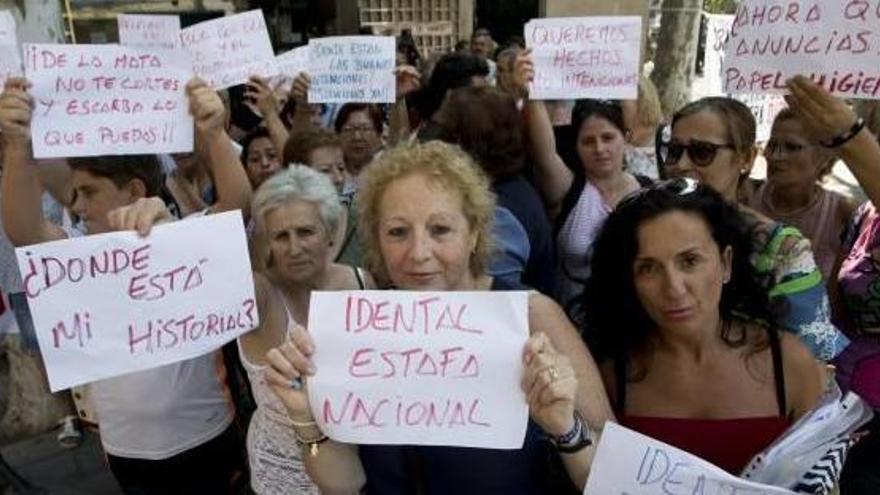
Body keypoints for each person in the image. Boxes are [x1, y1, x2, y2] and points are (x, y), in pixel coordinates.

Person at [264, 142, 613, 493]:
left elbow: (608, 473)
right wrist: (305, 416)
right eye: (398, 232)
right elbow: (345, 486)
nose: (418, 254)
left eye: (440, 230)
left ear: (474, 232)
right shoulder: (359, 330)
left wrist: (567, 428)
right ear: (377, 239)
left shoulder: (531, 316)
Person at [0, 76, 252, 493]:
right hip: (125, 448)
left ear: (133, 190)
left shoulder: (182, 236)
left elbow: (237, 207)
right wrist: (17, 148)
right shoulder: (79, 256)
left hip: (206, 434)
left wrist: (212, 134)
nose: (76, 207)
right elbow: (24, 229)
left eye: (88, 191)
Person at [582, 179, 825, 476]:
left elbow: (824, 480)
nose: (673, 288)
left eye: (689, 261)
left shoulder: (789, 362)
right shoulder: (610, 372)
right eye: (648, 267)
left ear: (726, 263)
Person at [658, 94, 848, 362]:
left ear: (745, 158)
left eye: (702, 152)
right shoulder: (640, 229)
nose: (681, 165)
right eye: (674, 151)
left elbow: (810, 361)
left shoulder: (782, 251)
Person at [241, 166, 374, 494]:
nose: (294, 247)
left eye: (305, 232)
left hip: (352, 461)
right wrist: (161, 231)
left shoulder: (362, 282)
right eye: (280, 236)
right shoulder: (259, 295)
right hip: (288, 471)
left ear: (330, 231)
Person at [515, 51, 647, 318]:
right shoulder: (569, 190)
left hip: (636, 329)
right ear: (575, 147)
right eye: (588, 141)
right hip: (575, 327)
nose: (600, 148)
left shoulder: (650, 194)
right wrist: (532, 94)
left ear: (626, 138)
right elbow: (544, 151)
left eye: (608, 137)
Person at [435, 85, 556, 295]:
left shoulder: (499, 217)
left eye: (444, 135)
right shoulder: (508, 190)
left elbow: (489, 304)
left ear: (462, 143)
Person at [749, 108, 857, 279]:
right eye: (772, 145)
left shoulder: (842, 212)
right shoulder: (748, 196)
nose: (776, 156)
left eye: (791, 147)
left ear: (824, 157)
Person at [282, 128, 362, 267]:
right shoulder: (275, 223)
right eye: (325, 170)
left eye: (341, 168)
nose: (338, 178)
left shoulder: (362, 220)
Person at [620, 74, 664, 180]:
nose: (618, 103)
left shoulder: (667, 137)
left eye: (622, 97)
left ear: (642, 99)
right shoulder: (616, 139)